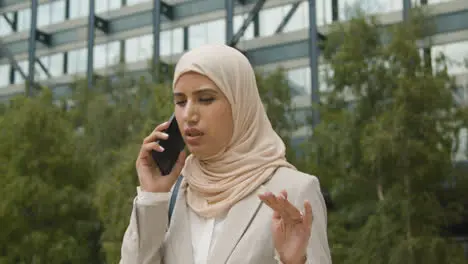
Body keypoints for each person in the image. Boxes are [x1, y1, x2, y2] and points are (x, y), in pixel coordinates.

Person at [119, 44, 332, 264]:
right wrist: (152, 197)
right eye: (181, 101)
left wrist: (294, 262)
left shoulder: (294, 190)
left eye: (205, 99)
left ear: (240, 103)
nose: (189, 115)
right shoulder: (173, 192)